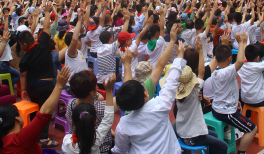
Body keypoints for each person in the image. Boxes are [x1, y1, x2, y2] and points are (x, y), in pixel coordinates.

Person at [112, 25, 184, 154]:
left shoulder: (123, 124)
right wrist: (174, 46)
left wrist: (127, 65)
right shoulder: (160, 105)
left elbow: (120, 150)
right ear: (145, 92)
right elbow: (163, 70)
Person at [167, 36, 227, 153]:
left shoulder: (177, 83)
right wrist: (202, 50)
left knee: (214, 135)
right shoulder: (195, 86)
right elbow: (203, 71)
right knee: (222, 146)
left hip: (182, 129)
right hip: (193, 135)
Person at [0, 67, 71, 154]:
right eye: (19, 113)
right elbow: (45, 112)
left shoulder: (1, 143)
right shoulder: (22, 139)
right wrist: (59, 86)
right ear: (17, 118)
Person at [17, 2, 57, 147]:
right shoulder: (43, 44)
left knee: (35, 112)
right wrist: (47, 12)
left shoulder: (24, 59)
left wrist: (23, 91)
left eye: (20, 45)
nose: (20, 47)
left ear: (24, 45)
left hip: (32, 87)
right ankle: (43, 137)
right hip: (46, 86)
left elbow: (23, 76)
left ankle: (34, 135)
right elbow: (46, 27)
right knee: (45, 112)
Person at [211, 32, 256, 154]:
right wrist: (241, 42)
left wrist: (224, 44)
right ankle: (241, 152)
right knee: (252, 128)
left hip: (218, 106)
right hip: (226, 112)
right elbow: (240, 61)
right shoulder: (227, 72)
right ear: (230, 58)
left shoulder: (214, 69)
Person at [62, 73, 116, 154]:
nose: (97, 87)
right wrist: (109, 90)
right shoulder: (101, 106)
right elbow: (108, 117)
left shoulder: (71, 104)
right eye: (96, 86)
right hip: (103, 149)